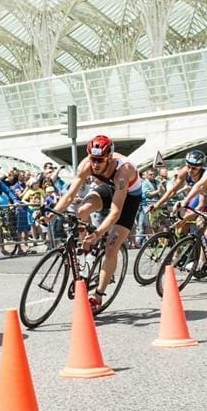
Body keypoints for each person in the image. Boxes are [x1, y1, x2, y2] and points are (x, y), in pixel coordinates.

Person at [49, 134, 142, 315]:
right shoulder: (87, 164)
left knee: (111, 247)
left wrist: (99, 233)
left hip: (129, 197)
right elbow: (69, 196)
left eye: (100, 160)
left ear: (109, 157)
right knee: (82, 211)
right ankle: (89, 253)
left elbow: (115, 212)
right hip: (108, 188)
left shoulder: (123, 171)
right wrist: (51, 215)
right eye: (93, 159)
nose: (96, 164)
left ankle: (98, 296)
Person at [154, 150, 207, 236]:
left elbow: (201, 205)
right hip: (200, 195)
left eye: (194, 168)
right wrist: (156, 205)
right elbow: (172, 191)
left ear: (200, 167)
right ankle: (185, 245)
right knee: (183, 225)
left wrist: (185, 219)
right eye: (189, 166)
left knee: (202, 224)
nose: (190, 170)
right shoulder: (184, 171)